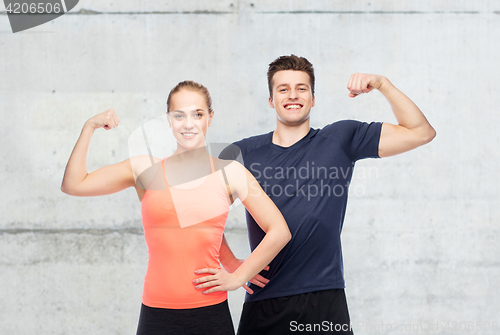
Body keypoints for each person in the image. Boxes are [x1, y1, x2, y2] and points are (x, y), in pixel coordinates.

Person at [211, 55, 436, 334]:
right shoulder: (241, 154)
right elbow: (202, 214)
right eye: (283, 89)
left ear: (313, 98)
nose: (293, 95)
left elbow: (420, 132)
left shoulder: (340, 138)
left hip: (325, 299)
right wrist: (232, 263)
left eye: (302, 88)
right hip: (264, 300)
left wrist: (383, 84)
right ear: (271, 100)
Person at [61, 80, 291, 335]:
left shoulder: (230, 172)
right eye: (179, 115)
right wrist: (89, 127)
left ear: (210, 118)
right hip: (156, 315)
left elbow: (279, 230)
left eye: (198, 114)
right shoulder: (144, 169)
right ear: (168, 120)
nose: (189, 123)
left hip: (210, 315)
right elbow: (73, 184)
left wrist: (237, 275)